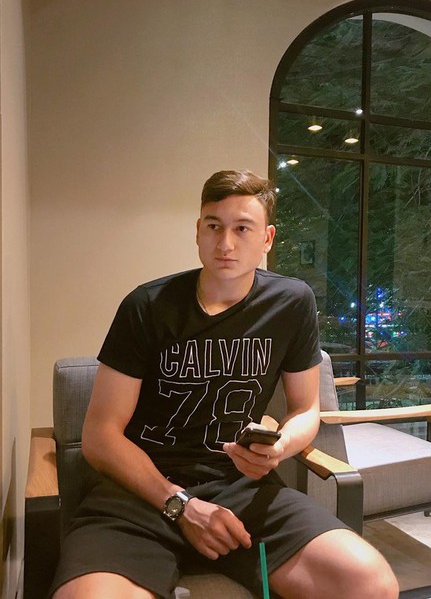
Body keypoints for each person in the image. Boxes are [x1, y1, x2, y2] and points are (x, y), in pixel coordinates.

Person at [51, 170, 399, 599]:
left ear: (267, 238)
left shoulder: (291, 303)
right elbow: (100, 436)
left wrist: (280, 448)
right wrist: (181, 505)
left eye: (242, 229)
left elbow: (306, 409)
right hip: (140, 491)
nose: (225, 244)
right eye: (214, 226)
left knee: (370, 584)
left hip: (242, 490)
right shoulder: (147, 305)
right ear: (198, 231)